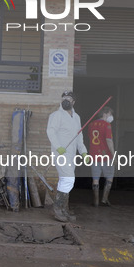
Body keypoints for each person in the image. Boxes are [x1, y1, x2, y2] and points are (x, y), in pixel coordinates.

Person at [46, 91, 90, 222]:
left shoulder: (77, 117)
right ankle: (57, 209)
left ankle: (63, 210)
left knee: (65, 181)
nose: (66, 100)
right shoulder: (56, 115)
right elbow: (50, 131)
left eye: (69, 98)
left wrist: (84, 152)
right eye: (64, 98)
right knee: (69, 179)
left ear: (73, 102)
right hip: (60, 153)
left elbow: (79, 137)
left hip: (71, 155)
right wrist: (57, 146)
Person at [87, 106, 115, 207]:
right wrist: (113, 153)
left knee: (95, 178)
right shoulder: (107, 125)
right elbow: (109, 140)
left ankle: (95, 201)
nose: (111, 116)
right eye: (110, 114)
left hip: (94, 155)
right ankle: (104, 199)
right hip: (105, 155)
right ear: (105, 113)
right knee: (109, 176)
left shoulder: (91, 124)